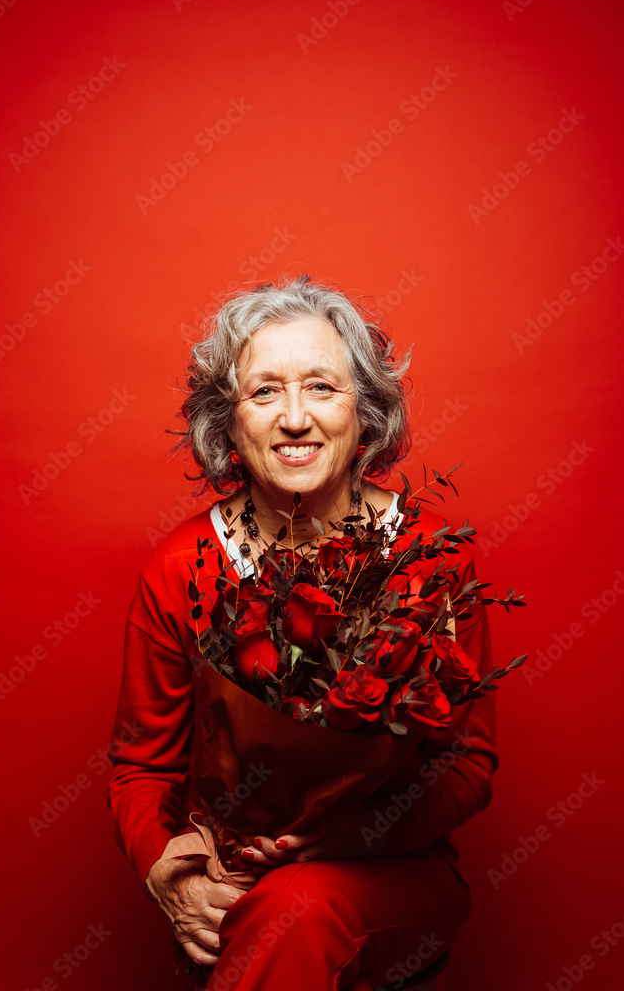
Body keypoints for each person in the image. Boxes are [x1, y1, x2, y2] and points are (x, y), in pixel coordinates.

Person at [107, 275, 498, 990]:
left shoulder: (432, 559)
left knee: (296, 908)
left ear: (366, 414)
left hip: (388, 874)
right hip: (231, 882)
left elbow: (466, 765)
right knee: (272, 914)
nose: (294, 418)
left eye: (321, 387)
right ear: (227, 423)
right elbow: (141, 768)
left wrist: (358, 835)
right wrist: (167, 871)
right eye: (263, 393)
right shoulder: (180, 568)